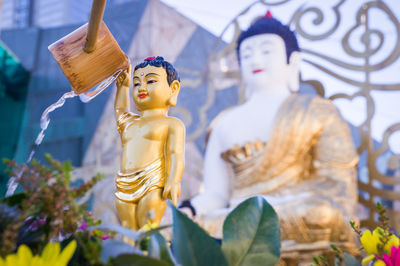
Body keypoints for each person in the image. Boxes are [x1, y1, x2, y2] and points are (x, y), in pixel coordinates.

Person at [182, 13, 359, 254]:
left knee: (326, 215)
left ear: (292, 61)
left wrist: (271, 207)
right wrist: (188, 211)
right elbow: (215, 194)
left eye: (266, 51)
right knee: (197, 226)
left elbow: (340, 192)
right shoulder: (224, 123)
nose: (255, 59)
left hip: (301, 213)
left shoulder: (318, 112)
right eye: (246, 54)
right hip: (235, 216)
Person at [114, 56, 185, 232]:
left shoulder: (171, 124)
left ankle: (151, 257)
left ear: (173, 88)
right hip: (125, 183)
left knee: (147, 228)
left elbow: (175, 154)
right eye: (137, 83)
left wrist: (174, 180)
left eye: (151, 81)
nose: (142, 88)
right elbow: (120, 110)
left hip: (153, 182)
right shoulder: (130, 122)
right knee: (127, 229)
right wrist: (123, 87)